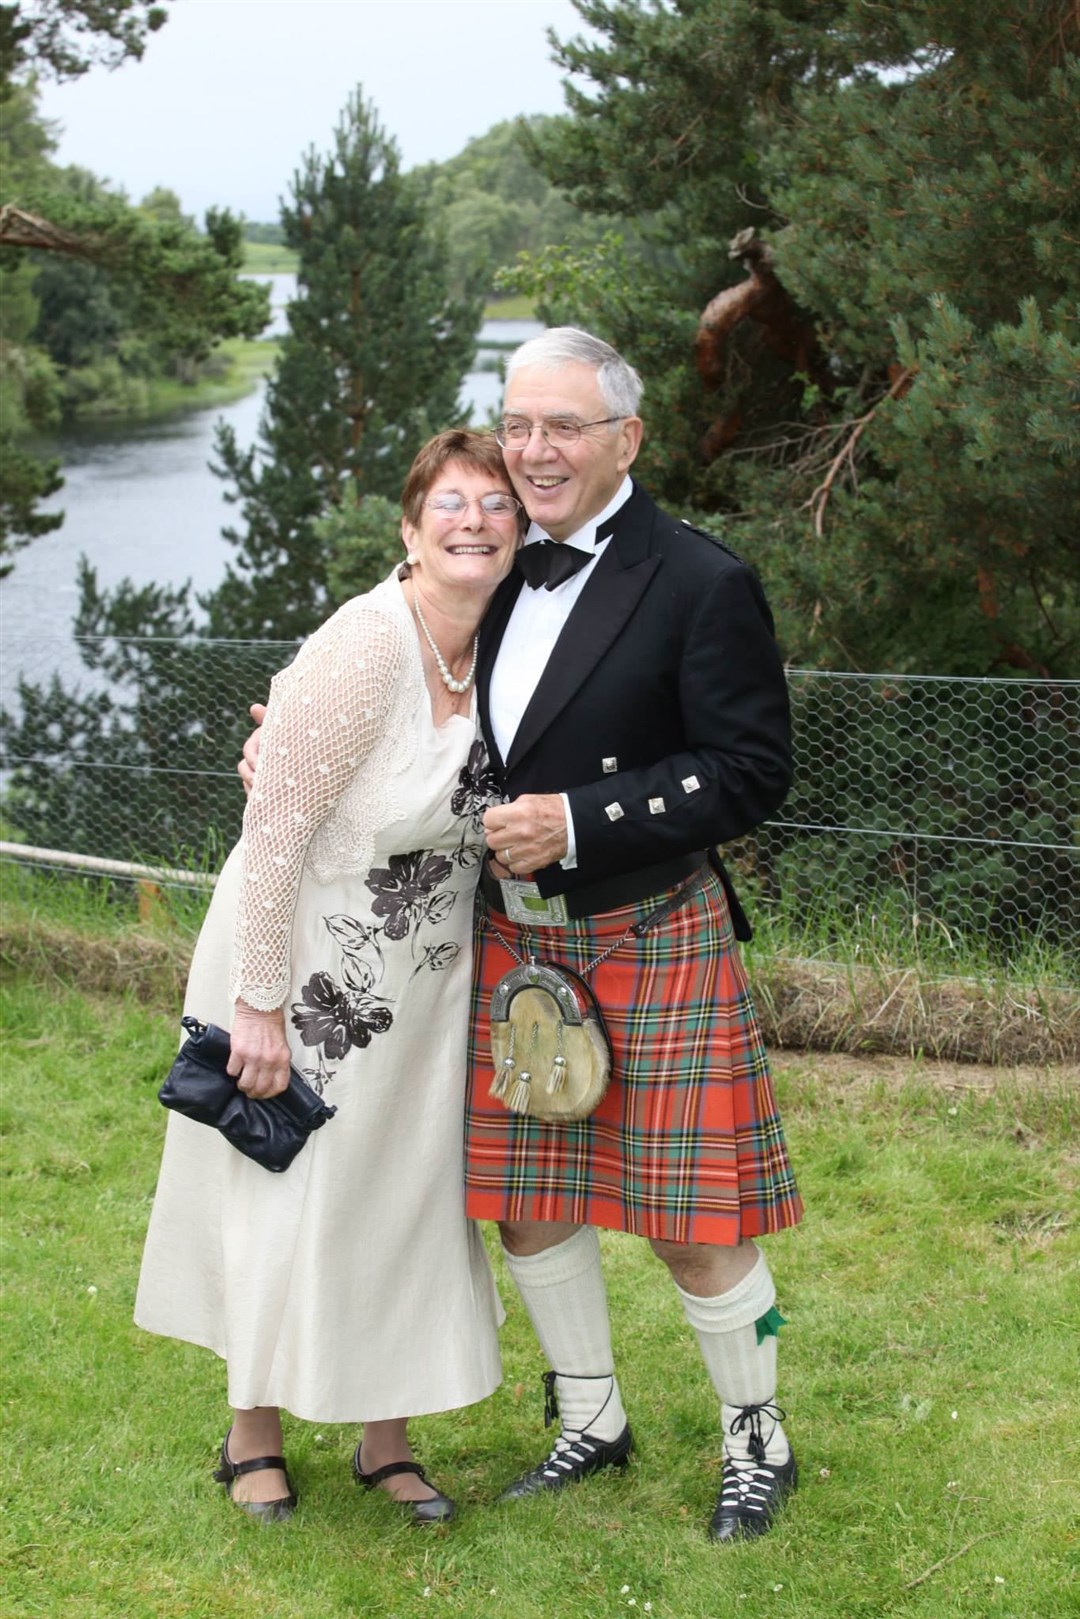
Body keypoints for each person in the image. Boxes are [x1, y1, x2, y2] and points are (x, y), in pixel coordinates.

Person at [135, 429, 523, 1525]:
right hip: (300, 963)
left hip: (427, 984)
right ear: (410, 529)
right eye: (450, 502)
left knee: (404, 1198)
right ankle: (249, 1433)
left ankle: (384, 1439)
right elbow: (274, 827)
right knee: (283, 1185)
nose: (473, 522)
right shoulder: (365, 644)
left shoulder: (512, 648)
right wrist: (254, 1004)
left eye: (496, 506)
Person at [466, 327, 803, 1542]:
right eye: (518, 425)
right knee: (527, 1197)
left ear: (628, 438)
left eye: (563, 427)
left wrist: (581, 817)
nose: (535, 450)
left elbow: (751, 768)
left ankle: (758, 1439)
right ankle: (591, 1417)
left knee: (690, 1220)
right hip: (515, 938)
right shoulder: (490, 558)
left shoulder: (700, 579)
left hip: (646, 920)